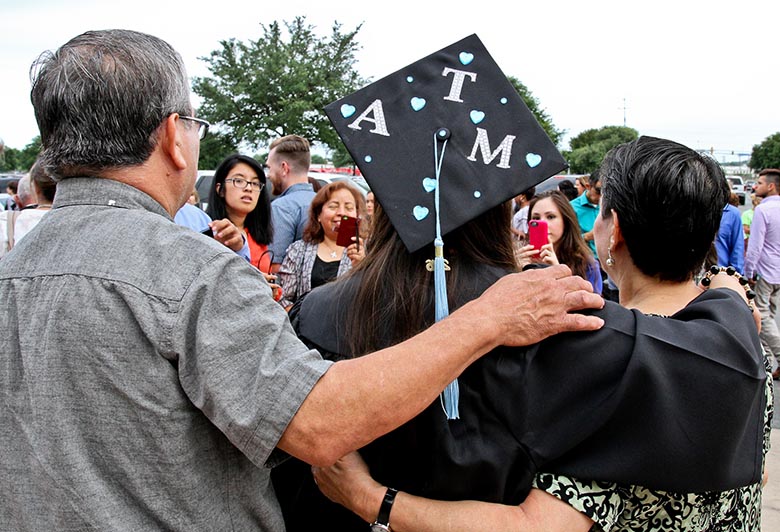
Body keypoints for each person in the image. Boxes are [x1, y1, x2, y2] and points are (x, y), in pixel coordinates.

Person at [0, 29, 604, 531]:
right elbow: (316, 426)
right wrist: (487, 318)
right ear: (170, 138)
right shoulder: (190, 275)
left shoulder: (10, 273)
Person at [304, 137, 767, 532]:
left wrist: (371, 499)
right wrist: (727, 289)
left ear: (616, 231)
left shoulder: (319, 313)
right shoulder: (721, 335)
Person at [277, 180, 365, 310]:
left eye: (349, 207)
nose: (341, 213)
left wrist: (362, 267)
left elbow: (373, 299)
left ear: (357, 215)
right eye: (333, 206)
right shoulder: (298, 250)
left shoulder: (367, 252)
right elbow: (283, 297)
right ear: (318, 215)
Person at [517, 190, 602, 294]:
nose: (543, 222)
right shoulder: (524, 258)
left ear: (565, 221)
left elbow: (592, 304)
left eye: (551, 217)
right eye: (536, 218)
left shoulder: (587, 264)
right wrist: (516, 273)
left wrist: (558, 272)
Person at [206, 153, 274, 272]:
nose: (249, 188)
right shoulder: (211, 233)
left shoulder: (258, 236)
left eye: (255, 183)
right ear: (220, 189)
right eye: (239, 180)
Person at [744, 168, 780, 379]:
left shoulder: (763, 211)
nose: (755, 186)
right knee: (770, 314)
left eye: (759, 183)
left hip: (765, 271)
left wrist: (748, 271)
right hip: (778, 271)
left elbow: (755, 246)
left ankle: (775, 354)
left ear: (771, 186)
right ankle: (765, 358)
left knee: (762, 315)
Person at [266, 134, 317, 272]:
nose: (268, 174)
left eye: (269, 168)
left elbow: (275, 268)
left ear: (284, 168)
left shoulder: (282, 208)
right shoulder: (327, 204)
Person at [569, 170, 601, 256]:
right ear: (588, 186)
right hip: (585, 261)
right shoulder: (572, 208)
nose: (602, 196)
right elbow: (566, 241)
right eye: (598, 191)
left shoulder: (609, 206)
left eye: (606, 192)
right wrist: (587, 236)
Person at [715, 189, 745, 273]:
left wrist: (736, 274)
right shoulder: (691, 210)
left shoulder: (732, 213)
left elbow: (737, 246)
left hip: (721, 272)